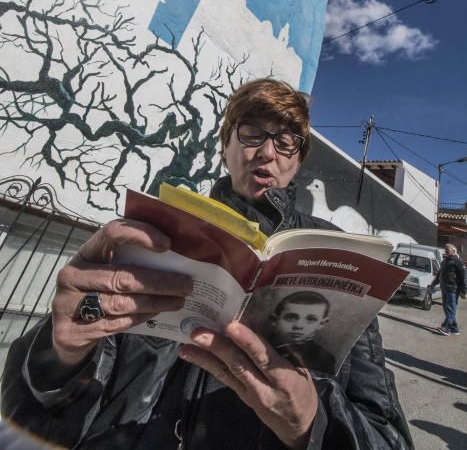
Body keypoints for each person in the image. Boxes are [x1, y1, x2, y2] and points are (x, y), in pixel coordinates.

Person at [1, 79, 413, 449]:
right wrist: (60, 353)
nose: (267, 152)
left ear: (298, 161)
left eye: (286, 142)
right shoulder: (154, 233)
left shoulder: (339, 256)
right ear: (225, 146)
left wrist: (313, 423)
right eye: (251, 133)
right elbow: (29, 414)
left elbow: (386, 434)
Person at [269, 290, 336, 372]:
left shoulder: (324, 360)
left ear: (321, 323)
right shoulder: (261, 340)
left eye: (311, 319)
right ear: (274, 320)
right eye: (290, 318)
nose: (298, 326)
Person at [431, 243, 466, 336]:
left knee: (450, 308)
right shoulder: (444, 261)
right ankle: (454, 328)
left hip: (453, 289)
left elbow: (463, 278)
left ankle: (446, 328)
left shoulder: (458, 261)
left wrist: (464, 291)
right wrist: (432, 284)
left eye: (448, 249)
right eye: (445, 249)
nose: (445, 251)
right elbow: (439, 274)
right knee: (447, 308)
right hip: (444, 288)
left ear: (454, 251)